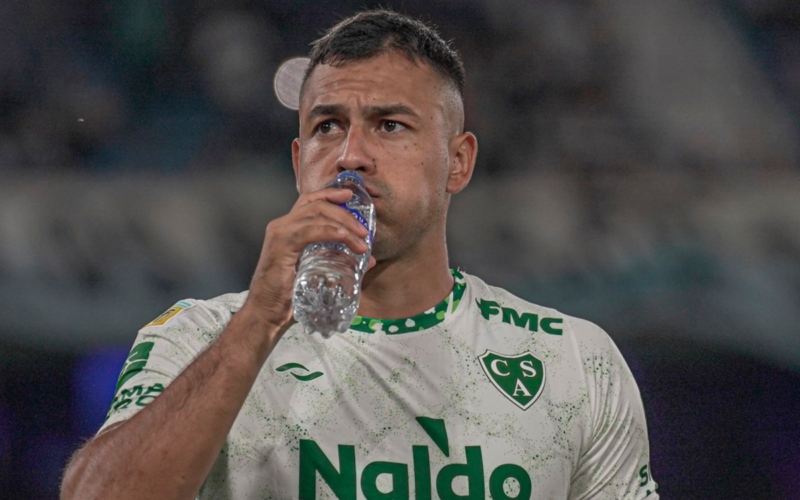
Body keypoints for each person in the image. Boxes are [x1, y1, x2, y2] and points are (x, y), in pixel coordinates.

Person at [61, 9, 659, 500]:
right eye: (326, 126)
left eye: (390, 125)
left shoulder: (573, 363)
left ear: (458, 161)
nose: (350, 155)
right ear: (299, 164)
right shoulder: (196, 338)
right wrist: (258, 322)